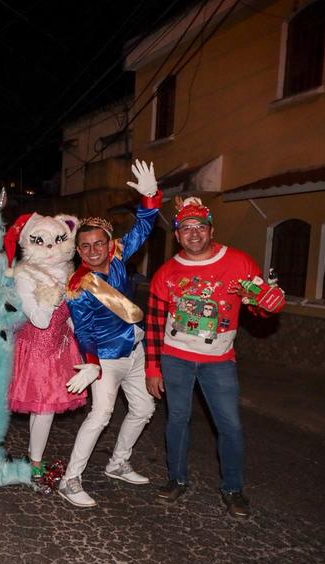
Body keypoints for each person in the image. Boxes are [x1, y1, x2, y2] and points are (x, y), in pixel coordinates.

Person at [145, 197, 285, 518]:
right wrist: (153, 367)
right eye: (186, 228)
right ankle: (176, 478)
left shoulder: (239, 263)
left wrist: (266, 302)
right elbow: (153, 325)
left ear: (211, 230)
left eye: (200, 227)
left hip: (219, 360)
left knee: (230, 426)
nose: (194, 234)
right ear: (177, 236)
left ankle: (233, 488)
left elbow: (257, 307)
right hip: (175, 358)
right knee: (177, 420)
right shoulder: (165, 273)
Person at [57, 159, 162, 508]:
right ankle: (70, 480)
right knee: (100, 415)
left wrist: (150, 198)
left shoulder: (118, 255)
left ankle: (117, 463)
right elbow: (84, 331)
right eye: (84, 246)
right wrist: (90, 363)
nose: (92, 251)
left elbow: (143, 228)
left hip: (134, 349)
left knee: (144, 408)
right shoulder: (78, 286)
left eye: (97, 244)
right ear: (78, 249)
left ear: (107, 243)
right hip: (103, 358)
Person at [4, 212, 86, 489]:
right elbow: (39, 320)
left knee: (42, 409)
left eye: (57, 239)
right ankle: (35, 462)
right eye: (41, 240)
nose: (50, 247)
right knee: (44, 408)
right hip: (36, 349)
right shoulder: (24, 275)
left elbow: (72, 317)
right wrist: (53, 295)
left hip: (60, 347)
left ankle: (32, 457)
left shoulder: (70, 272)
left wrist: (85, 343)